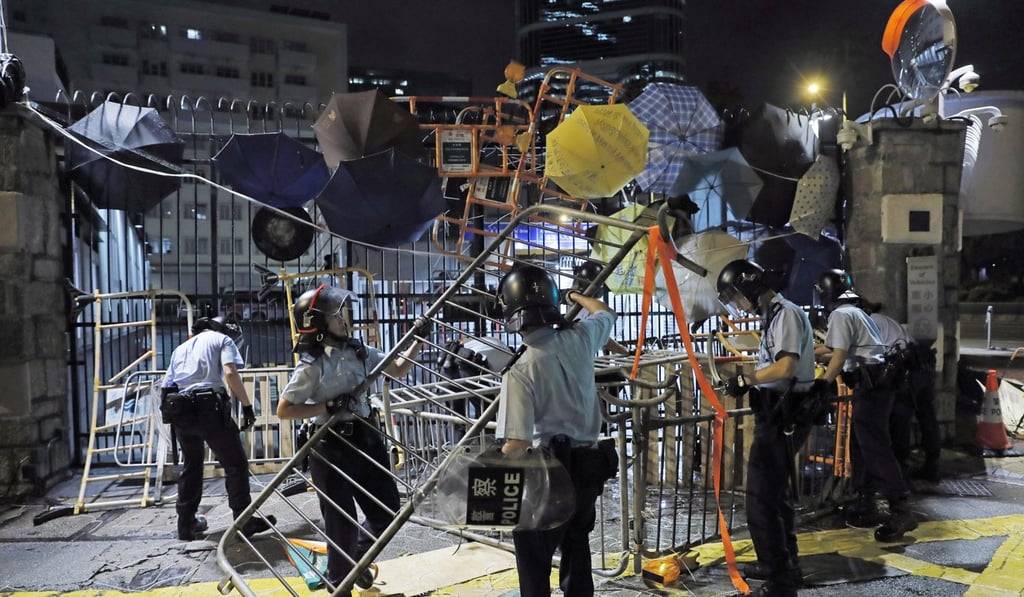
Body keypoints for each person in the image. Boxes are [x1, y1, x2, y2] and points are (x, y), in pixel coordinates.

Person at [276, 284, 423, 593]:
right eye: (336, 316)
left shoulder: (359, 351)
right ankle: (339, 583)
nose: (344, 320)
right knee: (340, 523)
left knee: (387, 511)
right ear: (319, 324)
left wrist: (417, 340)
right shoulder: (311, 365)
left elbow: (397, 369)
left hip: (367, 440)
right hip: (331, 447)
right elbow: (285, 410)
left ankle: (354, 561)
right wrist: (327, 406)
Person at [495, 264, 617, 597]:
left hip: (550, 472)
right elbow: (606, 312)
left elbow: (518, 442)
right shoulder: (581, 338)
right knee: (577, 542)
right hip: (590, 466)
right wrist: (576, 295)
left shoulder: (520, 370)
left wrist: (490, 469)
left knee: (533, 550)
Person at [716, 260, 818, 597]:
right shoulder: (773, 314)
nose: (735, 302)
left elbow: (786, 366)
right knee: (776, 495)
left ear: (748, 286)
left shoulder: (785, 313)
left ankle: (779, 579)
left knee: (761, 498)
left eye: (734, 294)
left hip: (784, 414)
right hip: (776, 411)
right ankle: (782, 563)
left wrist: (748, 379)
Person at [814, 269, 917, 542]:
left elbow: (837, 357)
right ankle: (868, 502)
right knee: (861, 447)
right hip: (877, 387)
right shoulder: (856, 312)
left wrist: (823, 383)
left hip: (870, 387)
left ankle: (900, 508)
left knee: (874, 447)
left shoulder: (839, 314)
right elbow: (839, 348)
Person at [161, 316, 275, 541]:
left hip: (179, 409)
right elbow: (230, 373)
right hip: (208, 408)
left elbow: (167, 385)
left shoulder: (180, 348)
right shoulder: (222, 339)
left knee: (191, 466)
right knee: (235, 464)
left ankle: (185, 524)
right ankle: (243, 521)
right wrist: (247, 406)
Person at [857, 297, 942, 483]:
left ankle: (900, 475)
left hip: (907, 374)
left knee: (899, 421)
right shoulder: (882, 319)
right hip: (920, 367)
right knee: (926, 417)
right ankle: (932, 465)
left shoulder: (870, 323)